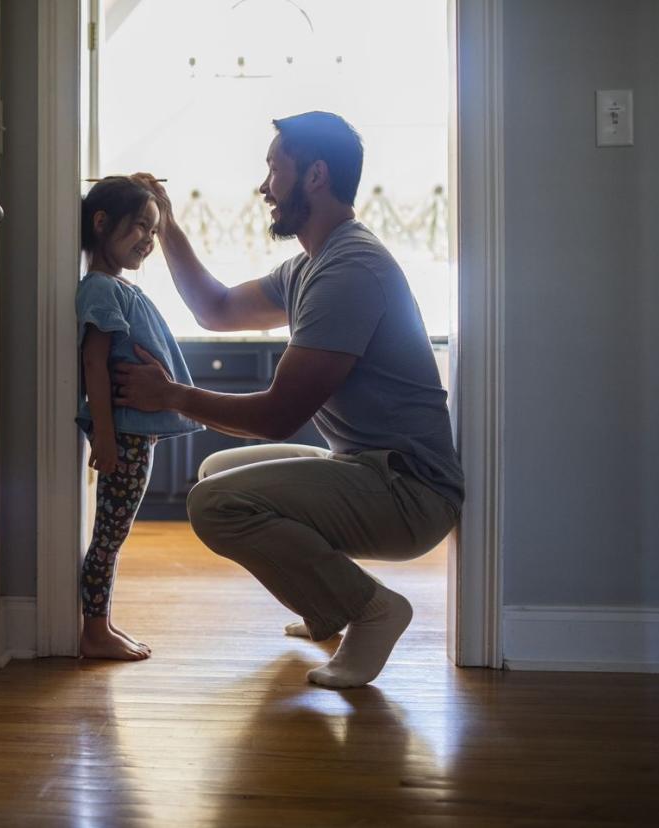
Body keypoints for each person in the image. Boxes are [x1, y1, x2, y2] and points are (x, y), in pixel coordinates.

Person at [115, 112, 463, 687]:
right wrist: (169, 227)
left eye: (276, 168)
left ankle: (372, 610)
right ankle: (326, 606)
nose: (265, 186)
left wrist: (171, 395)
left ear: (316, 176)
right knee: (217, 470)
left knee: (214, 503)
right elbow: (217, 309)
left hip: (410, 494)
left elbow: (278, 416)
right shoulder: (310, 266)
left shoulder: (349, 270)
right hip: (370, 470)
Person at [76, 176, 203, 661]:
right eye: (141, 228)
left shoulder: (116, 288)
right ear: (103, 223)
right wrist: (105, 437)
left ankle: (101, 623)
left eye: (155, 230)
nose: (149, 240)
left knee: (114, 533)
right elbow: (94, 363)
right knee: (109, 537)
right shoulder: (101, 290)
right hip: (124, 435)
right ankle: (95, 630)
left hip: (133, 434)